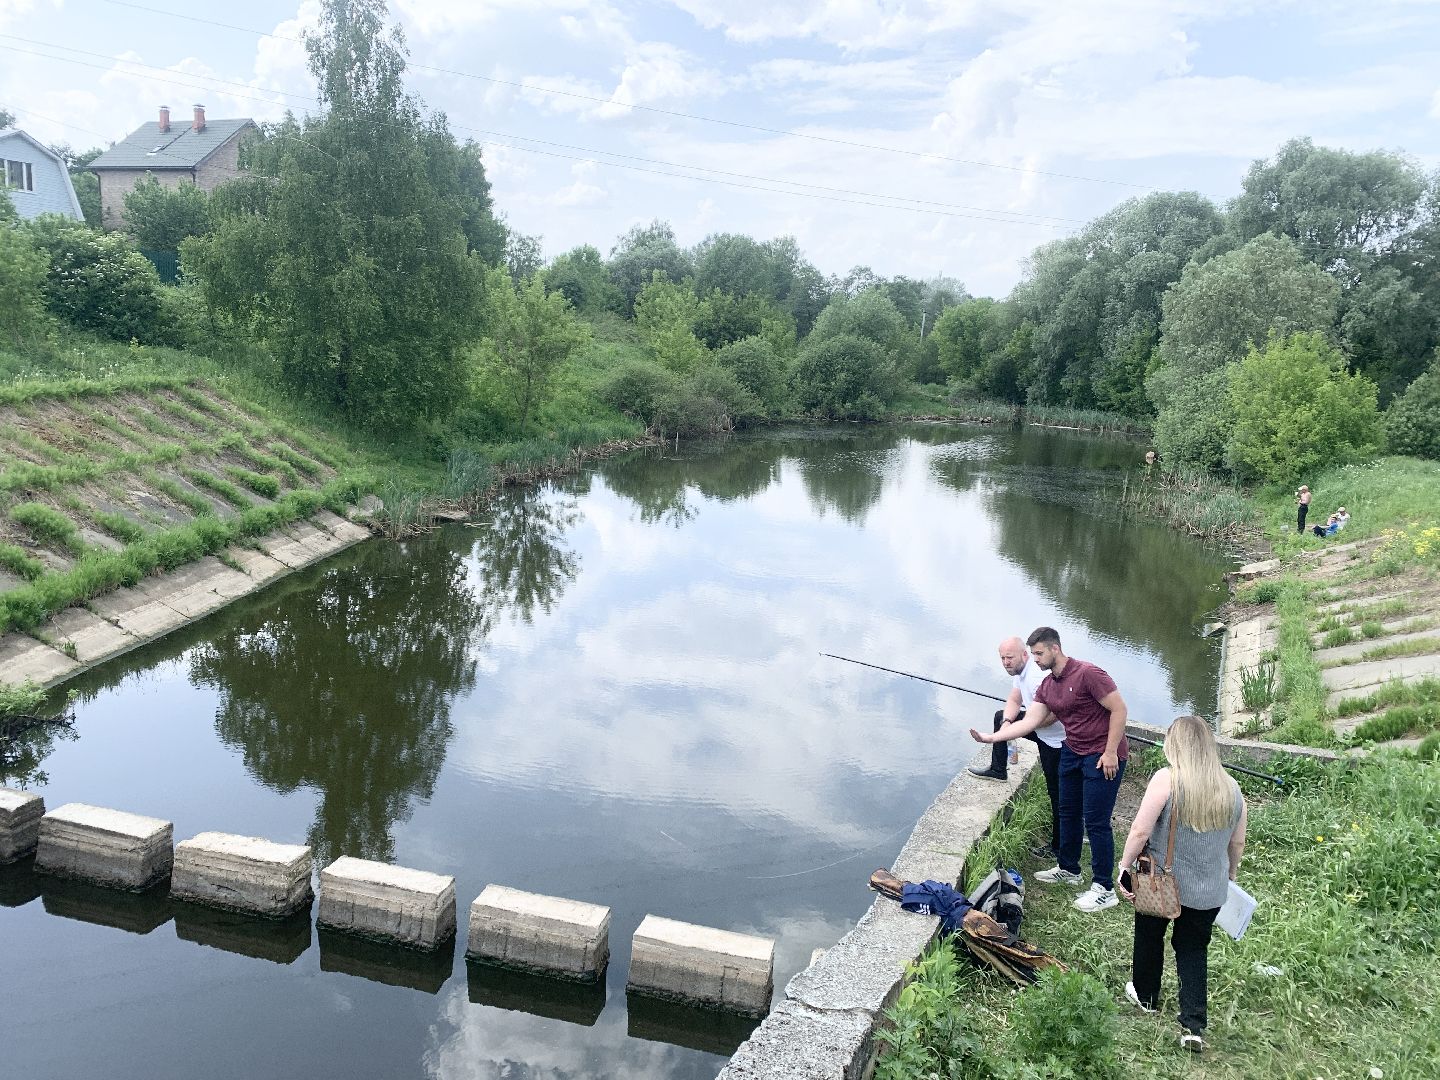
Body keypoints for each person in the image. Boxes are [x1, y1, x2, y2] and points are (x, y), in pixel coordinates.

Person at [970, 627, 1130, 913]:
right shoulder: (1047, 685)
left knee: (1096, 821)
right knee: (1067, 811)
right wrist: (993, 737)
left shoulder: (1088, 673)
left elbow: (1119, 709)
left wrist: (1109, 753)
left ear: (1055, 649)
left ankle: (1104, 888)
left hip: (1101, 755)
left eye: (1039, 653)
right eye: (1033, 654)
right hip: (1072, 750)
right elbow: (1030, 721)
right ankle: (1069, 869)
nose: (1036, 659)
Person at [1116, 715, 1247, 1054]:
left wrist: (1124, 865)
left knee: (1149, 935)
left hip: (1164, 881)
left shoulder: (1167, 780)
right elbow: (1237, 844)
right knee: (1193, 949)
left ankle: (1145, 997)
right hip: (1209, 890)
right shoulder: (1232, 789)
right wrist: (1231, 873)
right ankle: (1193, 1026)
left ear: (1176, 746)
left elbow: (1140, 831)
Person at [967, 637, 1064, 860]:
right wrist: (1008, 723)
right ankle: (998, 770)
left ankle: (1059, 846)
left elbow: (1050, 717)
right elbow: (1014, 698)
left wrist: (1019, 729)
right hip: (1037, 728)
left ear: (1024, 655)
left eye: (1009, 657)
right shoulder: (1021, 674)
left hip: (1056, 740)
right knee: (1000, 716)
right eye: (1002, 658)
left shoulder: (1038, 675)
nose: (1005, 662)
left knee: (1057, 792)